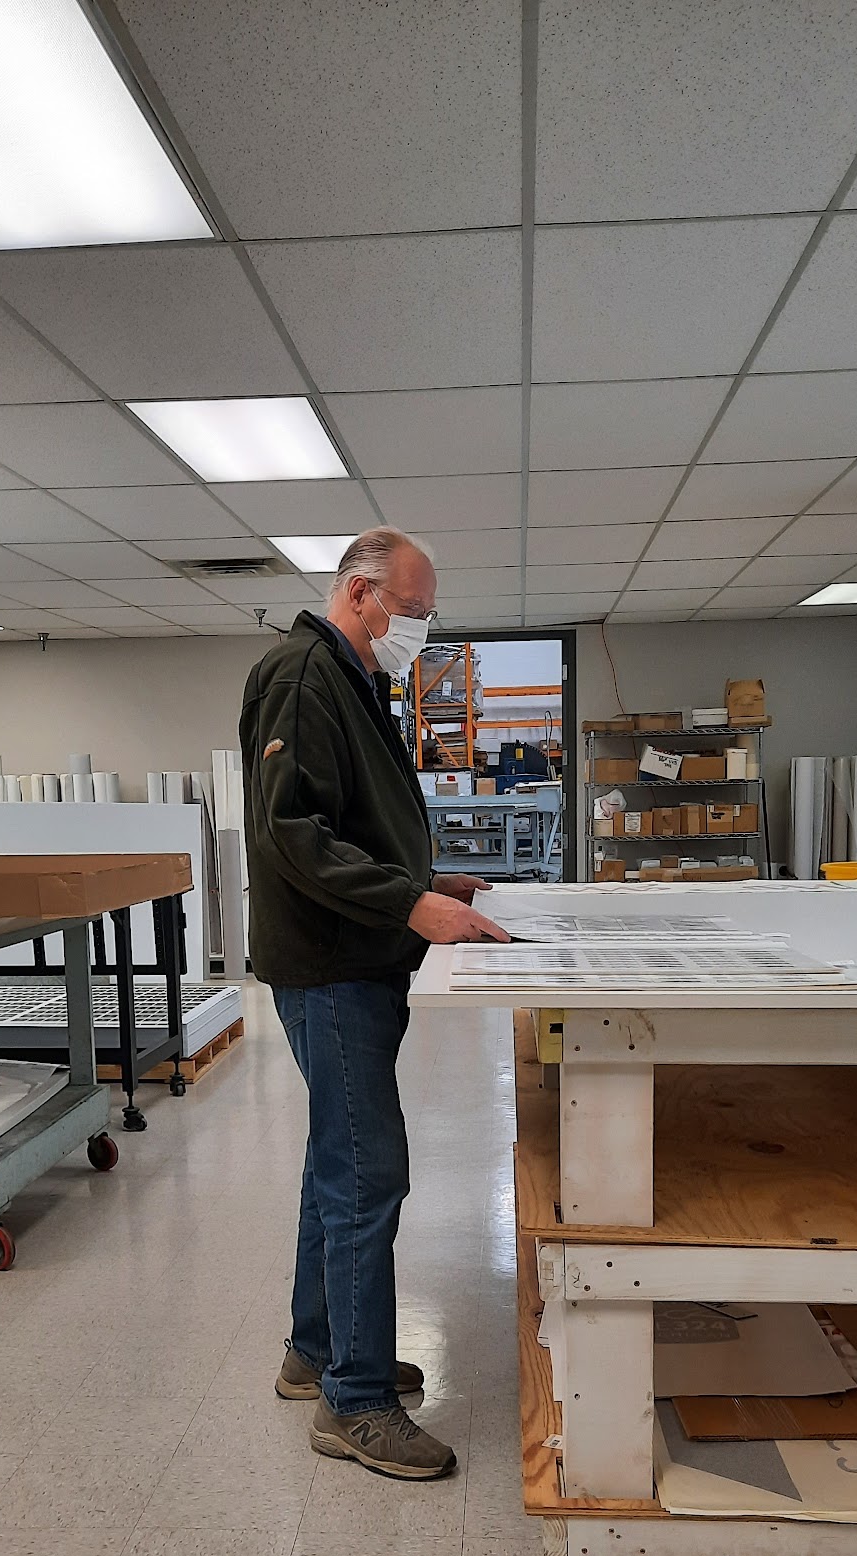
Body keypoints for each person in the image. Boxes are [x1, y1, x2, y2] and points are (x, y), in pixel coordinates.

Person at [240, 527, 509, 1479]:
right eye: (413, 608)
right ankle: (353, 1402)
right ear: (360, 594)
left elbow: (353, 820)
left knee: (336, 1161)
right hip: (332, 965)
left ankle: (316, 1352)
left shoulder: (353, 679)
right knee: (366, 1174)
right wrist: (407, 903)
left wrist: (425, 881)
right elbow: (293, 832)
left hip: (353, 955)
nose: (419, 627)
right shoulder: (303, 675)